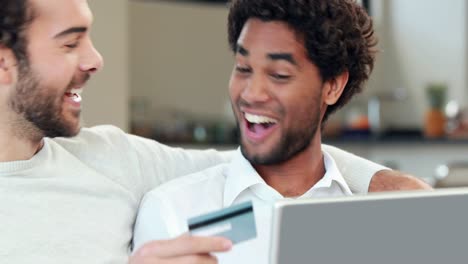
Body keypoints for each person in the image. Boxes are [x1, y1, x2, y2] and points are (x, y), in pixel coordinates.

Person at [0, 0, 429, 263]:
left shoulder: (109, 161)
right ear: (4, 62)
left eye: (278, 73)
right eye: (70, 43)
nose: (96, 59)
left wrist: (380, 182)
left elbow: (270, 166)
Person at [132, 0, 431, 263]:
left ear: (332, 86)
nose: (251, 93)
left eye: (279, 75)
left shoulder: (381, 214)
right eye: (243, 67)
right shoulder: (172, 212)